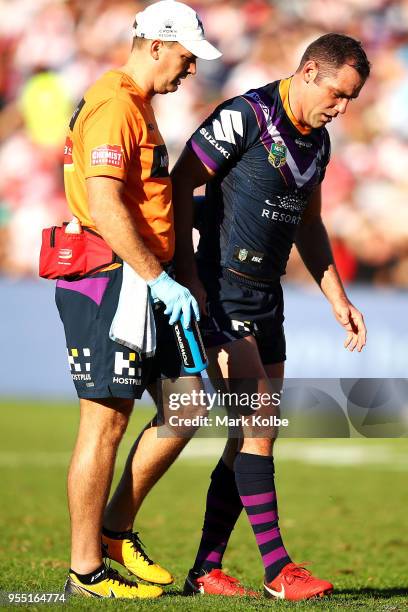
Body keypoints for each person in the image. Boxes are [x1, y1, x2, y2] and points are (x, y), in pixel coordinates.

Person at [171, 33, 369, 600]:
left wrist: (338, 298)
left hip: (267, 296)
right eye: (337, 93)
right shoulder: (247, 115)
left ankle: (205, 568)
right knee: (257, 429)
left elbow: (309, 223)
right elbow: (184, 180)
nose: (342, 107)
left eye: (352, 99)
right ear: (309, 72)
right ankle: (280, 571)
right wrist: (188, 276)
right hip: (221, 290)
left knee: (251, 437)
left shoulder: (319, 144)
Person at [56, 0, 221, 600]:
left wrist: (175, 272)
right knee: (105, 424)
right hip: (111, 279)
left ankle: (115, 529)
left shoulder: (137, 106)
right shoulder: (115, 105)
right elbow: (105, 204)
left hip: (144, 279)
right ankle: (85, 572)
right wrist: (159, 277)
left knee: (187, 407)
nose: (189, 70)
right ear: (156, 45)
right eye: (184, 57)